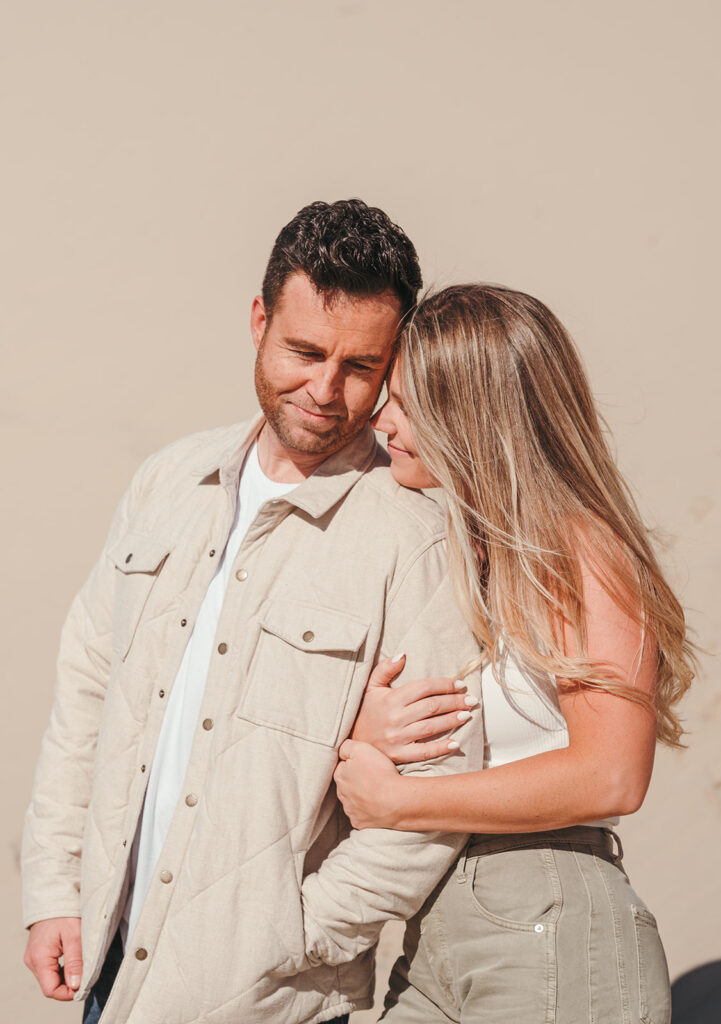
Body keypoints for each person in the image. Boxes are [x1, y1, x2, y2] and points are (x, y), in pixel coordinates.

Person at [21, 202, 487, 1024]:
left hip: (269, 1003)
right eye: (303, 351)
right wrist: (55, 888)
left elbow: (436, 785)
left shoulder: (412, 539)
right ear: (258, 319)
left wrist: (293, 934)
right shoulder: (168, 483)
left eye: (359, 366)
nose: (324, 390)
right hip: (109, 975)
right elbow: (87, 700)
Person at [333, 284, 695, 1023]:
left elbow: (612, 775)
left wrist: (401, 802)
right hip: (436, 930)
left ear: (471, 413)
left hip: (551, 921)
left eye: (407, 402)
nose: (381, 419)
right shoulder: (461, 553)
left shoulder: (580, 549)